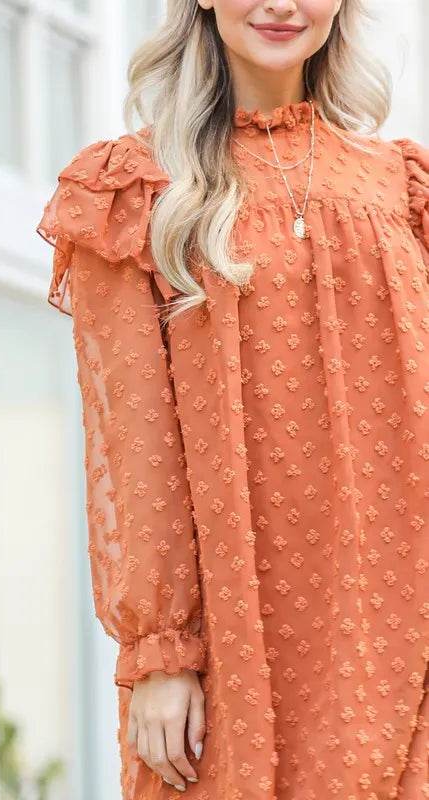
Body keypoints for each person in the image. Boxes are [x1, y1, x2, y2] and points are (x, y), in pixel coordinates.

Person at [36, 1, 429, 797]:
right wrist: (161, 652)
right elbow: (135, 444)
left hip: (406, 612)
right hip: (237, 639)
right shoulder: (133, 188)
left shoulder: (403, 188)